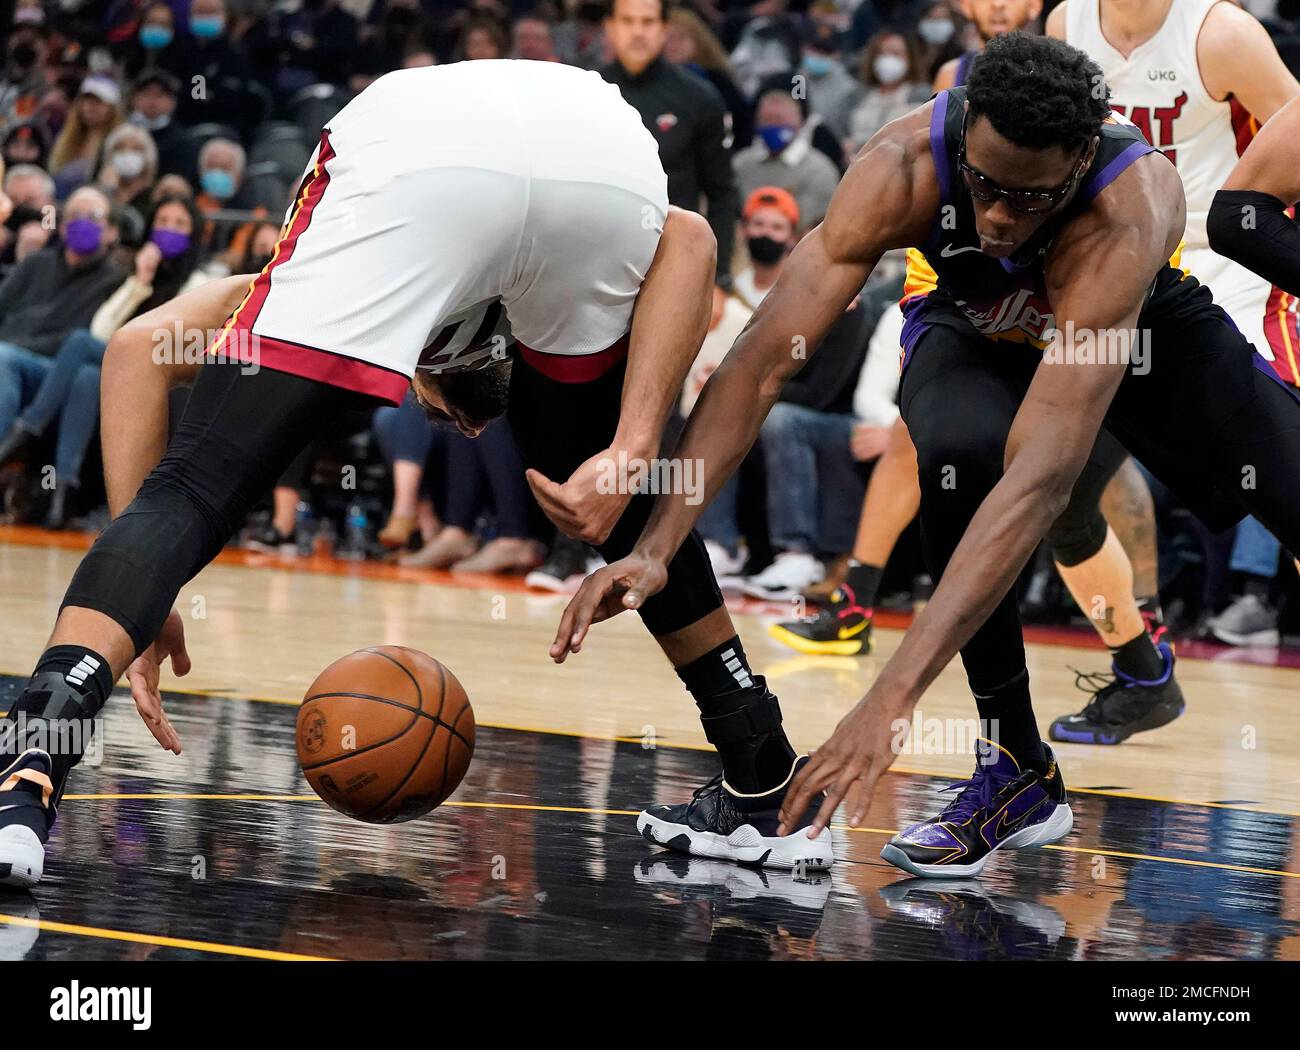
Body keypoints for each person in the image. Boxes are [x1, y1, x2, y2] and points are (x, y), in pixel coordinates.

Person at [0, 61, 829, 888]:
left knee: (192, 491)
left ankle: (28, 768)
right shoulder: (507, 299)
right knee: (604, 489)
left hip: (457, 151)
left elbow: (141, 346)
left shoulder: (380, 254)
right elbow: (692, 236)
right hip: (603, 168)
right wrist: (632, 447)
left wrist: (144, 583)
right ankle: (763, 778)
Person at [552, 33, 1300, 878]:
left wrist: (888, 703)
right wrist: (656, 546)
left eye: (1027, 199)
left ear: (1081, 158)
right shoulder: (903, 161)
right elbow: (762, 358)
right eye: (982, 186)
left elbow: (1041, 482)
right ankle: (1017, 768)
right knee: (954, 450)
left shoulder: (1130, 203)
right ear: (965, 133)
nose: (995, 219)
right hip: (976, 323)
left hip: (1143, 328)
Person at [0, 195, 207, 528]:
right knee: (84, 376)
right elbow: (104, 329)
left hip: (165, 362)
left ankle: (28, 428)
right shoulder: (135, 273)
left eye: (179, 224)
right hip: (125, 364)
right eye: (163, 222)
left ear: (194, 232)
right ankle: (62, 494)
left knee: (80, 343)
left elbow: (175, 337)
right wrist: (140, 281)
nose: (168, 230)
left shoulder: (201, 279)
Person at [600, 0, 738, 295]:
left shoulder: (700, 98)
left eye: (648, 22)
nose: (638, 32)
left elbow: (722, 192)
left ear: (664, 29)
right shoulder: (585, 93)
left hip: (674, 263)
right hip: (598, 263)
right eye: (627, 21)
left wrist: (719, 277)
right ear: (610, 28)